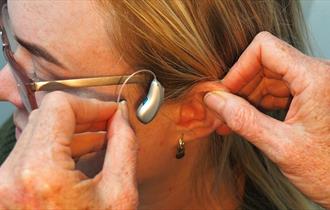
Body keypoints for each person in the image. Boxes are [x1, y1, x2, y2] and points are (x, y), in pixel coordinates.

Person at [0, 0, 328, 209]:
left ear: (197, 112)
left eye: (46, 76)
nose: (4, 88)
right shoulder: (16, 157)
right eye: (11, 42)